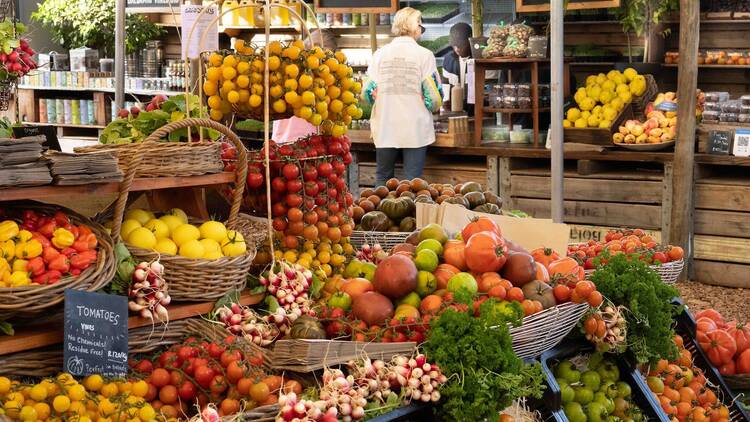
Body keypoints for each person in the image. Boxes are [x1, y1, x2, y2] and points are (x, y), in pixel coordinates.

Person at [363, 7, 443, 187]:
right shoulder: (425, 55)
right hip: (415, 127)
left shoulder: (380, 54)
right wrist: (429, 104)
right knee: (411, 182)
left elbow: (367, 92)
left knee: (383, 178)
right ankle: (409, 214)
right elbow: (435, 97)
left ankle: (379, 214)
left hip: (385, 125)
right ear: (416, 28)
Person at [271, 29, 337, 143]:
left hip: (313, 145)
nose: (308, 49)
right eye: (307, 45)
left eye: (315, 47)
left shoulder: (328, 79)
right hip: (284, 143)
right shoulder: (289, 70)